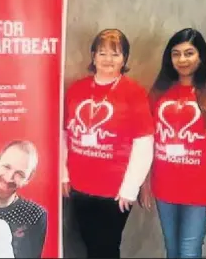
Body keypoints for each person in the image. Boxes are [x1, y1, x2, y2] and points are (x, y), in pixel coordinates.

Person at [61, 28, 155, 258]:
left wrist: (130, 188)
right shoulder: (77, 89)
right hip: (79, 186)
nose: (108, 60)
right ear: (93, 56)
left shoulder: (134, 93)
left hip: (115, 191)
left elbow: (143, 144)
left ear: (125, 59)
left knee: (105, 247)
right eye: (102, 53)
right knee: (89, 244)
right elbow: (63, 134)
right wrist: (64, 175)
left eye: (115, 54)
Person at [139, 28, 206, 258]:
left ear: (201, 56)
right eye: (176, 53)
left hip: (201, 190)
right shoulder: (158, 93)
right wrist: (145, 183)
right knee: (172, 250)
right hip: (165, 187)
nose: (182, 59)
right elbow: (146, 141)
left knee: (188, 252)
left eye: (189, 53)